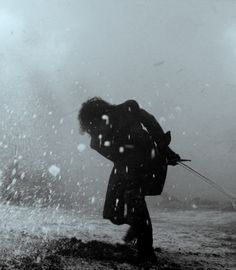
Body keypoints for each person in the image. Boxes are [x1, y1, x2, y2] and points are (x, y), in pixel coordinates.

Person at [78, 97, 180, 263]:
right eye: (92, 127)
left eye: (95, 123)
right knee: (120, 207)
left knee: (135, 202)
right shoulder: (96, 141)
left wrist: (164, 148)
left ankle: (145, 250)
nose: (95, 129)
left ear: (103, 113)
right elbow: (117, 157)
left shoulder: (128, 109)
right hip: (127, 169)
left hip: (147, 162)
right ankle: (137, 236)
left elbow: (151, 123)